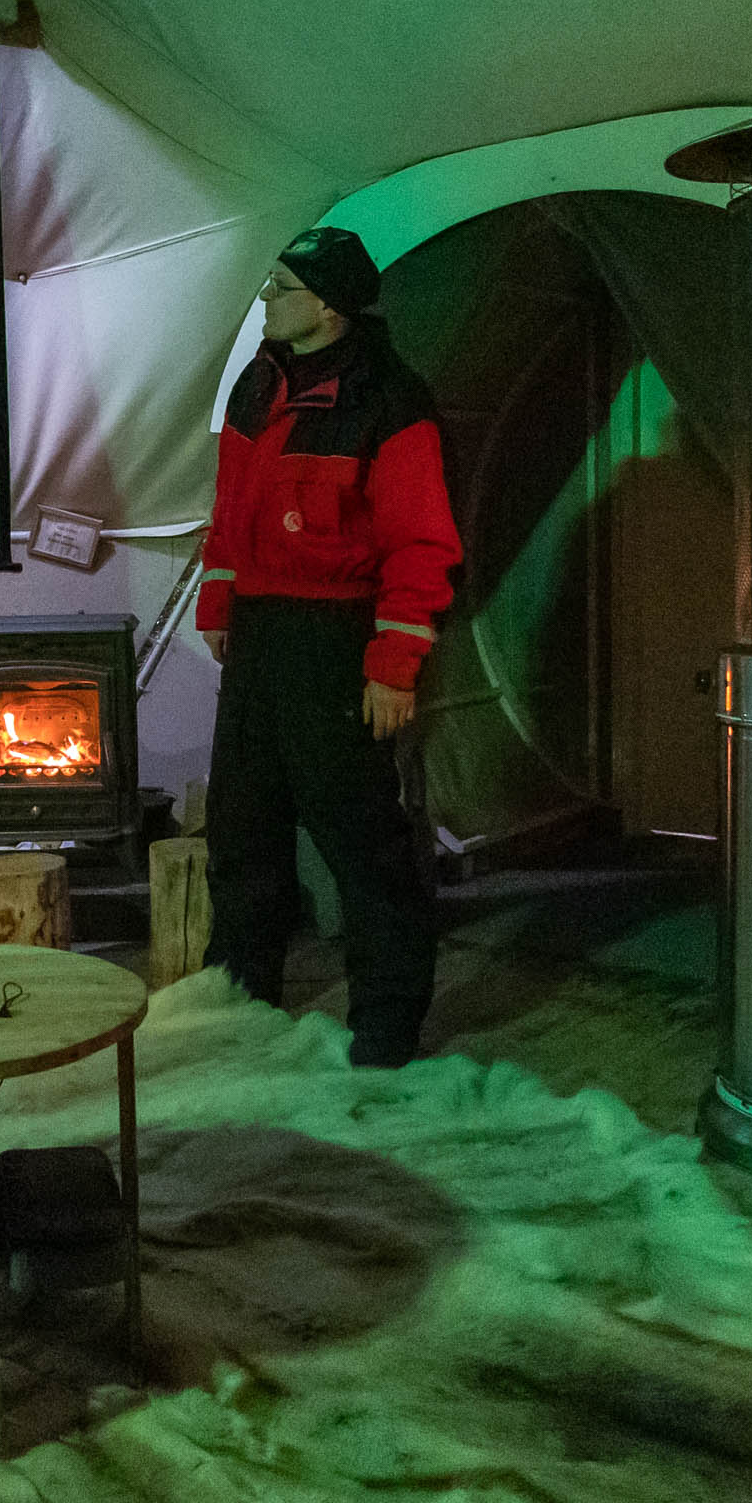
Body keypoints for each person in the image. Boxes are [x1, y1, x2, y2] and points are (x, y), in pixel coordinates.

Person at [196, 225, 460, 1066]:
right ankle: (238, 1000)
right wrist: (219, 604)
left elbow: (422, 546)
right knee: (242, 829)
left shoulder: (389, 402)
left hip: (335, 640)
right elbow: (230, 510)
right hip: (261, 634)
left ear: (329, 307)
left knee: (362, 842)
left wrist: (393, 669)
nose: (265, 300)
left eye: (280, 288)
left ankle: (385, 1023)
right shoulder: (258, 384)